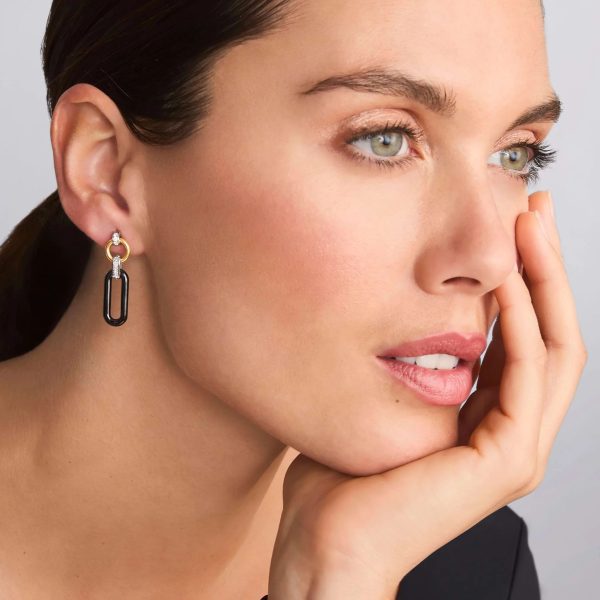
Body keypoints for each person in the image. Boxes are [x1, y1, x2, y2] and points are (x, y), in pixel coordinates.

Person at [0, 0, 587, 598]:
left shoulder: (460, 566)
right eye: (383, 139)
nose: (489, 258)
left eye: (513, 155)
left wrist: (337, 579)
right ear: (105, 169)